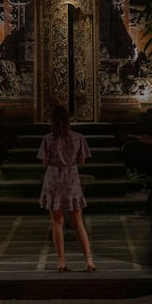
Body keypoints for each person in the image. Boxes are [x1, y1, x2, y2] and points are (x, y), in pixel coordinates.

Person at [38, 105, 96, 273]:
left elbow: (44, 162)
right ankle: (89, 260)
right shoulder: (78, 137)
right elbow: (82, 160)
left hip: (53, 179)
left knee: (57, 222)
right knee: (78, 222)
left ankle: (61, 260)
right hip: (71, 178)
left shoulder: (48, 138)